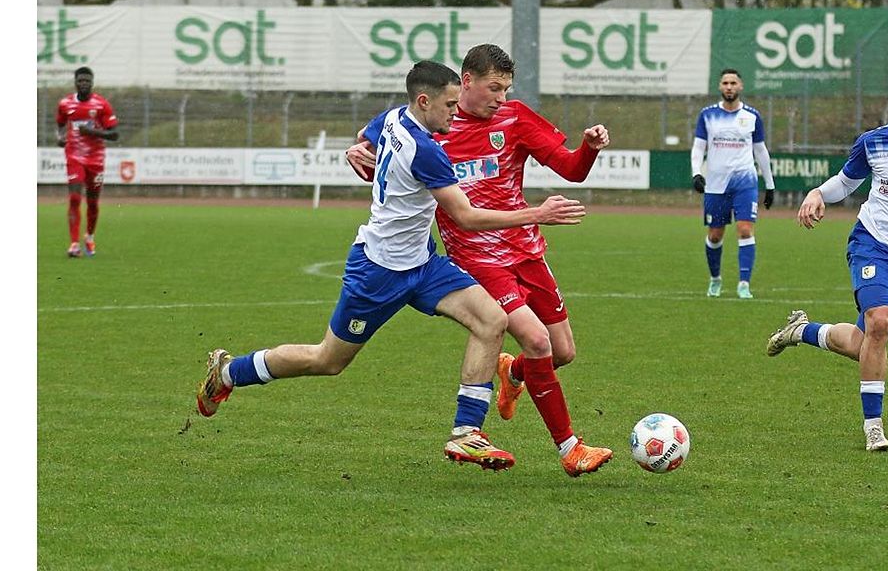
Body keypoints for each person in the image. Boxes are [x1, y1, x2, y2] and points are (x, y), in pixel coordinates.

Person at [197, 60, 588, 472]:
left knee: (492, 320)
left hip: (422, 263)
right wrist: (537, 213)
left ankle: (467, 434)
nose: (456, 115)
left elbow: (365, 137)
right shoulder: (427, 152)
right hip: (378, 271)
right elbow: (467, 216)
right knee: (328, 360)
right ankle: (230, 372)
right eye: (450, 106)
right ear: (424, 101)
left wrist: (357, 147)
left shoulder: (393, 117)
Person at [348, 44, 614, 477]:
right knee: (539, 341)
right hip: (476, 255)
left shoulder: (515, 118)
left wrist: (588, 148)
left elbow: (571, 170)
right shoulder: (429, 123)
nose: (501, 98)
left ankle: (511, 375)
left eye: (507, 89)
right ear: (466, 81)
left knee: (562, 352)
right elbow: (369, 142)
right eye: (494, 88)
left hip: (526, 250)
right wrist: (354, 151)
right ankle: (570, 448)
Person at [766, 64, 888, 452]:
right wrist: (818, 192)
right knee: (878, 323)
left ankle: (802, 331)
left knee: (863, 344)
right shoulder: (872, 142)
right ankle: (874, 427)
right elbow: (846, 183)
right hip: (873, 244)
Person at [691, 68, 775, 299]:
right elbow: (699, 147)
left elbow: (760, 151)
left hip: (745, 182)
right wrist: (696, 173)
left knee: (745, 229)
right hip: (716, 184)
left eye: (733, 83)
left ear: (740, 87)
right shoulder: (707, 115)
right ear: (720, 87)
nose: (729, 87)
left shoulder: (752, 116)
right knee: (716, 235)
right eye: (725, 83)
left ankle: (743, 284)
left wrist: (769, 185)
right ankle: (715, 279)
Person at [56, 66, 119, 258]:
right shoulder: (65, 104)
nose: (84, 84)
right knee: (75, 198)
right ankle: (74, 244)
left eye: (87, 81)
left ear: (92, 83)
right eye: (80, 81)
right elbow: (60, 123)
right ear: (75, 82)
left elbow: (115, 134)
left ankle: (89, 236)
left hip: (95, 158)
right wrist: (60, 137)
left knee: (92, 202)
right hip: (74, 155)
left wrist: (93, 132)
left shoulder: (101, 105)